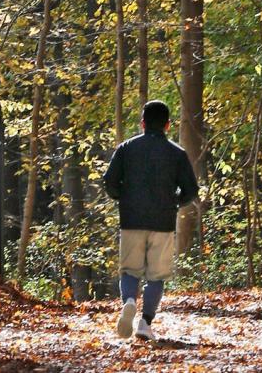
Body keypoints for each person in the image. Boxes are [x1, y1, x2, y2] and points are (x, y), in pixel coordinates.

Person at [103, 99, 199, 342]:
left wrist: (122, 197)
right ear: (167, 125)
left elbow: (110, 182)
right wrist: (176, 201)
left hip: (131, 218)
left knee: (130, 270)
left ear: (143, 123)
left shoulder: (126, 148)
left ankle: (130, 302)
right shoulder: (177, 153)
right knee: (157, 275)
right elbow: (191, 190)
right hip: (163, 222)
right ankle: (145, 322)